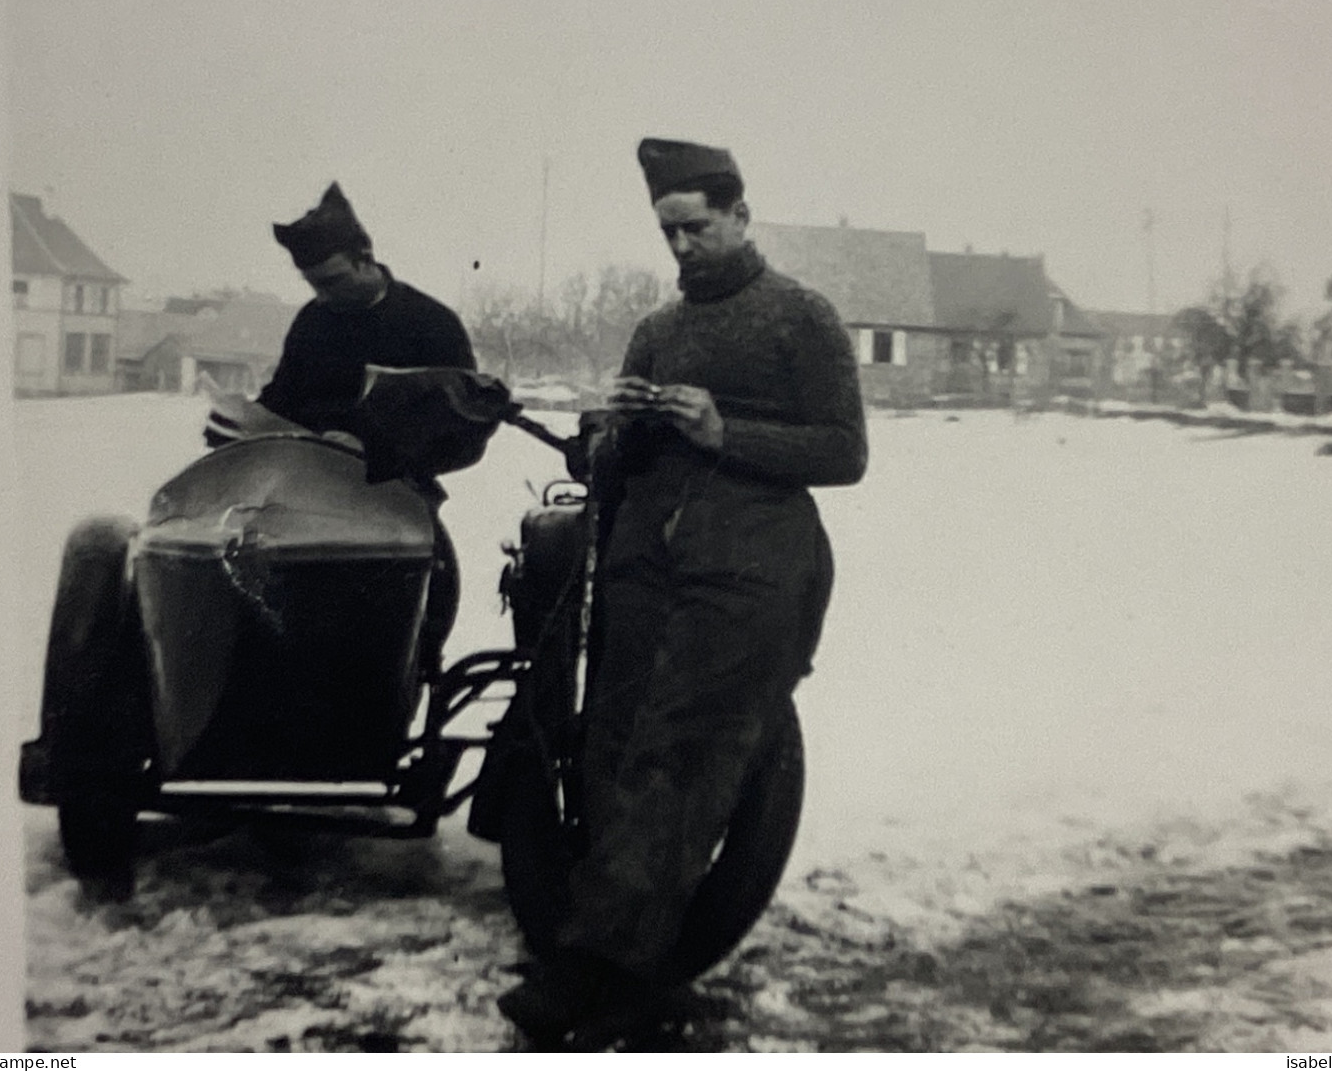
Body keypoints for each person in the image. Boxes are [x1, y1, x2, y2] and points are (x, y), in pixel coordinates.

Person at [497, 139, 867, 1041]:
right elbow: (615, 468)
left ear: (741, 216)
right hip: (643, 567)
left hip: (749, 567)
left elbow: (844, 453)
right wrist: (615, 429)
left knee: (681, 752)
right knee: (615, 751)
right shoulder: (658, 330)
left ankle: (597, 969)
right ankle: (625, 950)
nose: (682, 247)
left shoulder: (800, 319)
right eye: (668, 232)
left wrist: (723, 430)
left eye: (696, 227)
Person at [203, 182, 478, 675]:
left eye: (331, 281)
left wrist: (373, 451)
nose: (322, 296)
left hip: (392, 499)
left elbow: (464, 433)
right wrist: (241, 423)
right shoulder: (313, 321)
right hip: (301, 495)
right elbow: (282, 400)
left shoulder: (432, 325)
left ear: (365, 258)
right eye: (312, 285)